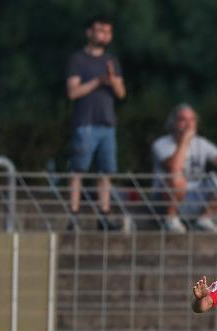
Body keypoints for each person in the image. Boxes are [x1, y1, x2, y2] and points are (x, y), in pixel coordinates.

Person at [66, 15, 125, 229]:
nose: (104, 35)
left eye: (107, 32)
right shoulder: (78, 60)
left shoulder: (111, 61)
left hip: (107, 123)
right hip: (85, 123)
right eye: (100, 30)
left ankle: (104, 214)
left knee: (106, 172)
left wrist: (111, 81)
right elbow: (73, 92)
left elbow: (121, 93)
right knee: (78, 170)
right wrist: (98, 81)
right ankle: (73, 215)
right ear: (89, 32)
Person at [152, 104, 217, 233]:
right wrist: (184, 141)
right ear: (174, 123)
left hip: (196, 195)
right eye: (183, 120)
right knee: (177, 179)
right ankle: (170, 220)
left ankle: (204, 219)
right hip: (165, 200)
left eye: (192, 120)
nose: (189, 124)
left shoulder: (201, 142)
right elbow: (174, 168)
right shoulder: (161, 143)